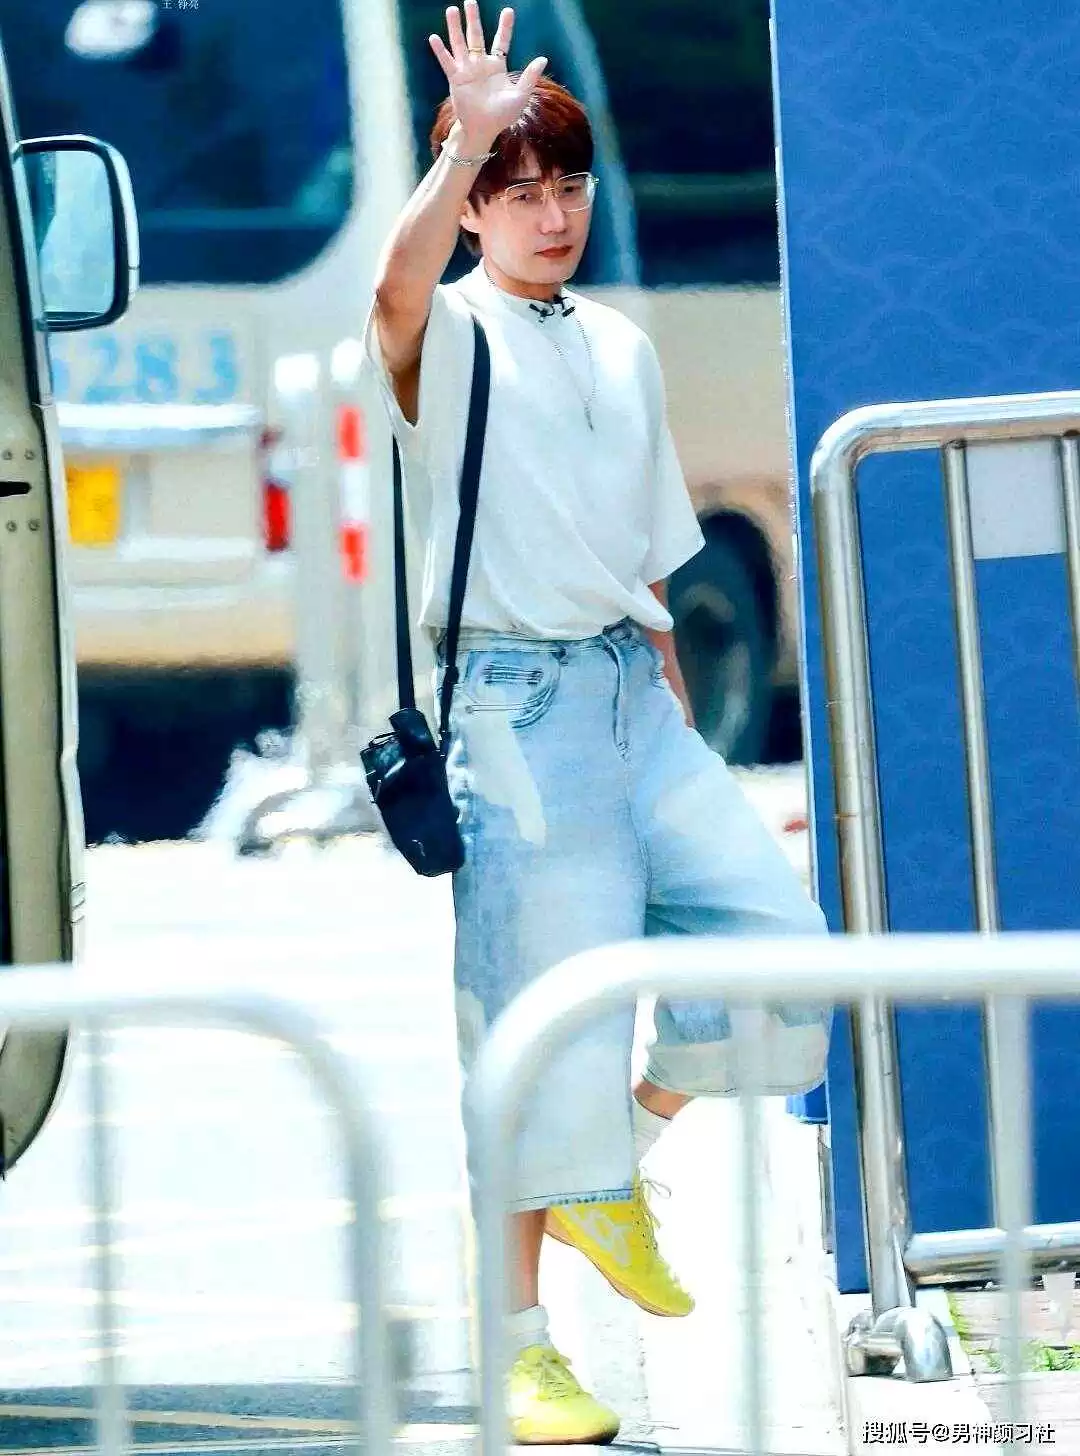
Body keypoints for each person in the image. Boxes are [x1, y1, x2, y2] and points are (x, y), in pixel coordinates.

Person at [362, 3, 830, 1442]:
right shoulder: (449, 335)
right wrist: (464, 142)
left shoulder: (623, 344)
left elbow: (647, 553)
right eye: (521, 192)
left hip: (635, 696)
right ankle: (519, 1348)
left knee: (783, 954)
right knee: (531, 1032)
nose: (553, 213)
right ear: (477, 210)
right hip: (513, 710)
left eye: (568, 185)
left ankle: (611, 1167)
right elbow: (391, 290)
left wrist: (671, 694)